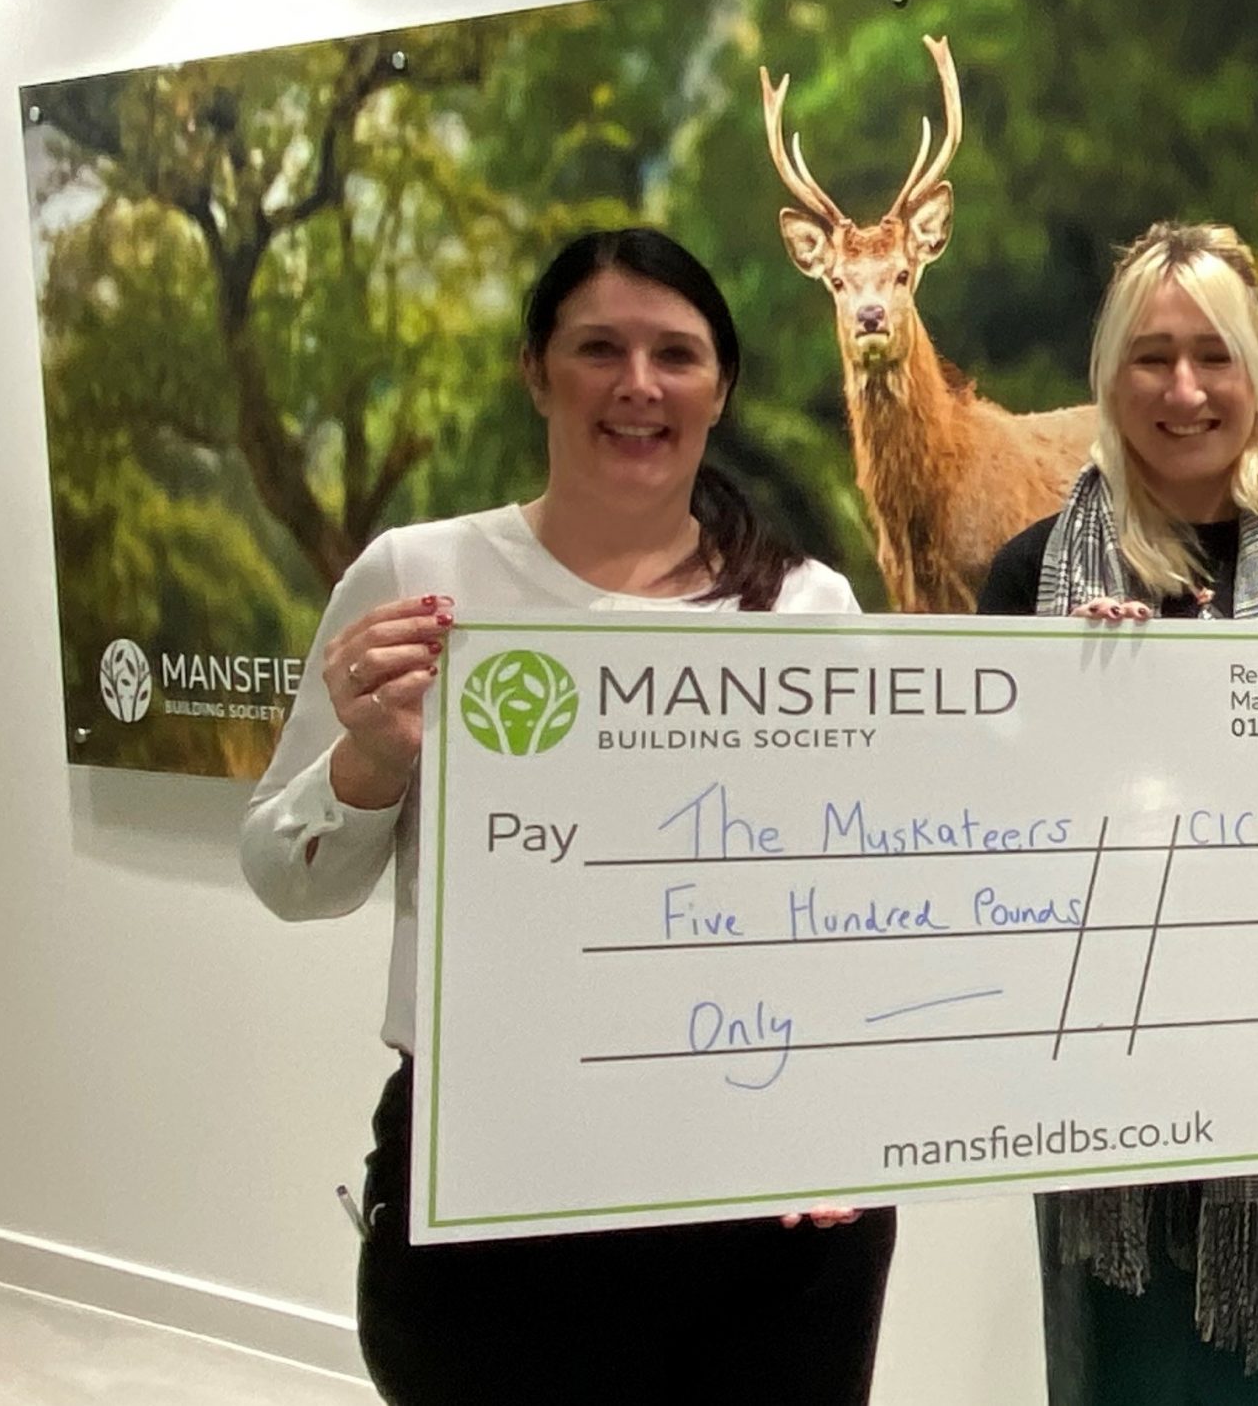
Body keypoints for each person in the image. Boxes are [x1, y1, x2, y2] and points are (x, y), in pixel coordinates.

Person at [240, 227, 895, 1404]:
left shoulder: (805, 605)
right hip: (492, 1173)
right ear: (536, 370)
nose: (638, 385)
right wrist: (369, 761)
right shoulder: (420, 579)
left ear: (720, 387)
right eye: (599, 348)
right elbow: (287, 875)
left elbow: (858, 895)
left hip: (758, 1191)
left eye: (675, 354)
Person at [977, 221, 1258, 1406]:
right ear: (1108, 376)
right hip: (1106, 1104)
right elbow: (989, 849)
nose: (1185, 389)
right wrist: (1073, 708)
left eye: (1214, 354)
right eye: (1152, 355)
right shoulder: (1029, 580)